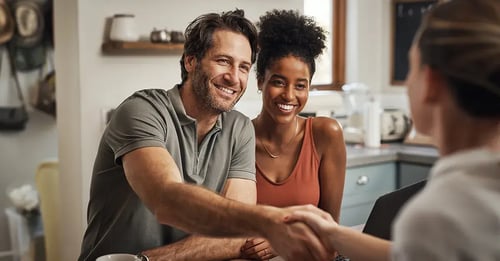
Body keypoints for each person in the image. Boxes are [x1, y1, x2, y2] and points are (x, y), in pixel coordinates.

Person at [78, 9, 330, 261]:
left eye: (243, 67)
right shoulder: (141, 111)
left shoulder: (239, 129)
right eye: (223, 61)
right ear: (191, 61)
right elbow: (166, 200)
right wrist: (268, 220)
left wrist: (148, 260)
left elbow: (237, 234)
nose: (234, 77)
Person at [285, 0, 500, 260]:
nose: (408, 81)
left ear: (430, 83)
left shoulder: (436, 217)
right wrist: (333, 234)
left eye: (411, 70)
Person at [239, 10, 346, 260]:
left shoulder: (326, 134)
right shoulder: (238, 137)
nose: (289, 95)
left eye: (300, 85)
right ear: (259, 81)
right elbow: (227, 225)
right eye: (278, 82)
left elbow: (331, 230)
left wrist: (279, 241)